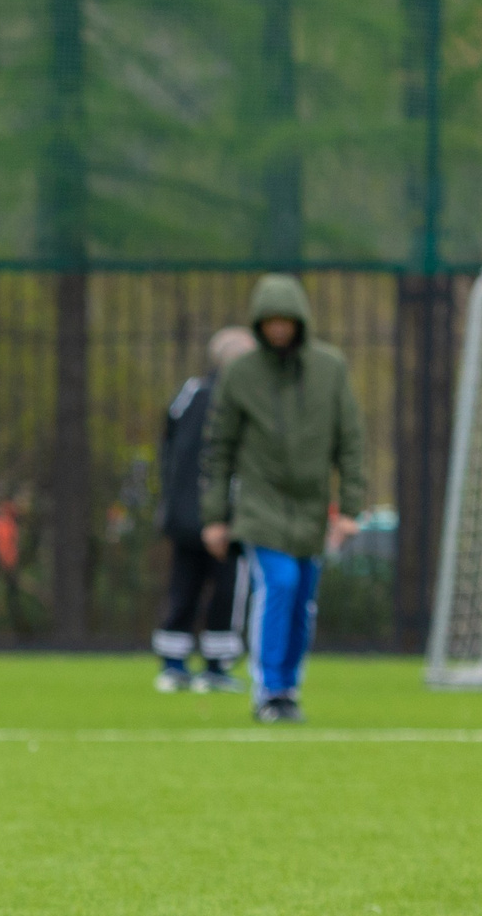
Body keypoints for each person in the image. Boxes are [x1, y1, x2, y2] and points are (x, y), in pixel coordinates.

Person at [199, 274, 366, 724]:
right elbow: (220, 450)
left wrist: (350, 508)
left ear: (299, 322)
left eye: (284, 321)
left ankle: (289, 685)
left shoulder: (330, 369)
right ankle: (268, 689)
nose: (277, 330)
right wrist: (215, 517)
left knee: (302, 599)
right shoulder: (241, 374)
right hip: (260, 505)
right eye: (269, 321)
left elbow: (349, 441)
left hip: (311, 507)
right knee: (280, 584)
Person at [153, 326, 257, 692]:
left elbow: (166, 450)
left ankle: (174, 664)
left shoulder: (188, 394)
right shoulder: (236, 401)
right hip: (221, 518)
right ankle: (214, 667)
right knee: (226, 590)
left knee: (184, 586)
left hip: (182, 516)